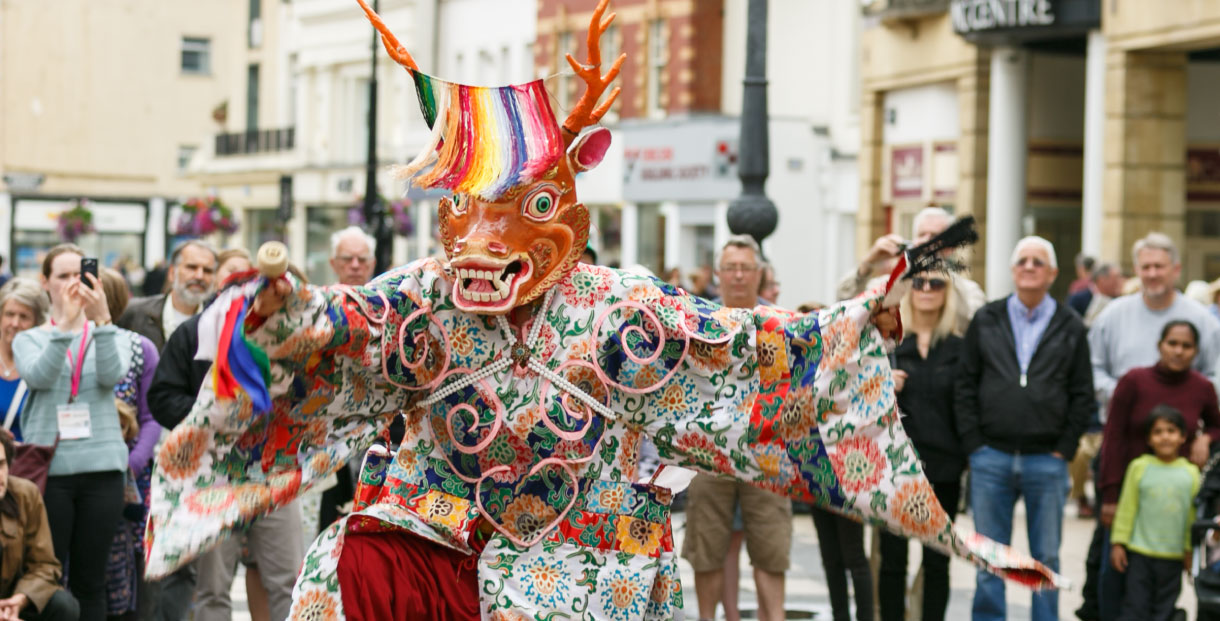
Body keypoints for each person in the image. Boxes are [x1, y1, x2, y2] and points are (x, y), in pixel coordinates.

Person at [144, 2, 1062, 617]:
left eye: (525, 210)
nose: (484, 243)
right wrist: (266, 310)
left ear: (570, 217)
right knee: (342, 571)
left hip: (586, 551)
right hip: (442, 534)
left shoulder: (625, 309)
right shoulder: (426, 294)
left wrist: (862, 316)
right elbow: (339, 329)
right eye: (467, 213)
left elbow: (751, 353)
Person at [956, 236, 1093, 621]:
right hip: (991, 457)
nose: (1030, 266)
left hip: (1046, 461)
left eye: (1039, 262)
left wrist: (1064, 449)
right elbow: (965, 384)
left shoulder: (1071, 325)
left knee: (1045, 556)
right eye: (1023, 261)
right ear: (1014, 270)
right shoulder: (988, 318)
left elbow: (1083, 393)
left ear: (1052, 273)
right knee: (989, 555)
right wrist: (974, 444)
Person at [12, 244, 131, 621]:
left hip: (102, 470)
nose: (72, 284)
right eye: (62, 276)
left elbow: (113, 376)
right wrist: (64, 326)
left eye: (79, 275)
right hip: (51, 472)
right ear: (44, 282)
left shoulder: (111, 333)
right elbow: (39, 376)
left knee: (91, 582)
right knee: (47, 579)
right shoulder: (29, 338)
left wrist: (103, 322)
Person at [682, 236, 793, 621]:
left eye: (747, 268)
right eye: (731, 268)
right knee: (706, 547)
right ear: (718, 274)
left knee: (771, 548)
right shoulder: (698, 321)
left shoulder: (779, 324)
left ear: (760, 273)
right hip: (710, 453)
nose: (739, 276)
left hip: (766, 452)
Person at [879, 271, 965, 621]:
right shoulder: (889, 344)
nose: (926, 289)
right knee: (892, 561)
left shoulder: (960, 348)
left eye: (936, 283)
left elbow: (968, 406)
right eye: (919, 283)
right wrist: (883, 385)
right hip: (897, 467)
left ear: (948, 293)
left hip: (945, 466)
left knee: (937, 563)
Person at [1089, 232, 1220, 418]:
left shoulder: (1203, 320)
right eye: (1146, 267)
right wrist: (1123, 394)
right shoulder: (1111, 316)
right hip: (1122, 428)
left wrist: (1181, 398)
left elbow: (1214, 375)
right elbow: (1093, 369)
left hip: (1182, 433)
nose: (1152, 274)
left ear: (1176, 269)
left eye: (1159, 266)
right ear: (1136, 270)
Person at [96, 268, 162, 621]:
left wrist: (131, 465)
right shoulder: (57, 342)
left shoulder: (140, 348)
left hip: (127, 478)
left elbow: (151, 417)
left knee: (124, 570)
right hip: (72, 475)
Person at [1109, 405, 1199, 621]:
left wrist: (1189, 551)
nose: (1165, 437)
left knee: (1164, 610)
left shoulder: (1191, 473)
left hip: (1173, 557)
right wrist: (1119, 542)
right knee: (1135, 607)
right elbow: (1127, 508)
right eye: (1157, 432)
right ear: (1148, 439)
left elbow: (1192, 517)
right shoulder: (1139, 467)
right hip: (1140, 554)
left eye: (1171, 431)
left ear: (1182, 437)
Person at [836, 207, 985, 333]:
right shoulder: (888, 285)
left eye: (935, 236)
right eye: (922, 235)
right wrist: (869, 262)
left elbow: (976, 325)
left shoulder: (968, 291)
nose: (926, 241)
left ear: (949, 247)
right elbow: (845, 303)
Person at [0, 429, 79, 621]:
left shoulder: (25, 494)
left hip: (11, 602)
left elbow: (44, 565)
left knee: (64, 605)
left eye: (1, 464)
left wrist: (20, 600)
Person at [117, 241, 218, 351]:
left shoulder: (220, 322)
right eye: (191, 267)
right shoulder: (133, 313)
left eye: (207, 271)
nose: (199, 276)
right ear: (172, 273)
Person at [0, 279, 48, 441]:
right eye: (9, 314)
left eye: (24, 317)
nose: (15, 323)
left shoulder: (43, 366)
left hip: (26, 461)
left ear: (38, 323)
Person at [1067, 262, 1123, 328]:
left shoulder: (1120, 300)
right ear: (1102, 280)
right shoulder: (1077, 299)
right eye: (1116, 278)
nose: (1120, 282)